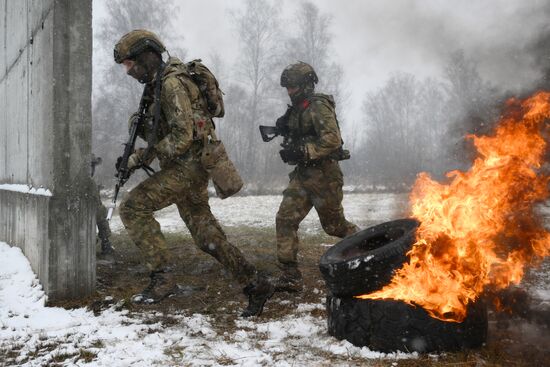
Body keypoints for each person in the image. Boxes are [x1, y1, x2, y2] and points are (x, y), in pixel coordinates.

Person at [112, 30, 273, 317]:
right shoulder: (157, 84)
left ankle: (163, 279)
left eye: (129, 64)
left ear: (145, 56)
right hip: (188, 169)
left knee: (133, 208)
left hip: (186, 169)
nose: (128, 71)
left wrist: (141, 156)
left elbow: (182, 137)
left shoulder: (171, 84)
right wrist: (136, 156)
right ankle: (255, 283)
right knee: (206, 237)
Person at [274, 62, 359, 292]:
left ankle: (367, 249)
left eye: (293, 87)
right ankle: (290, 275)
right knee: (285, 219)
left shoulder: (319, 106)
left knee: (334, 226)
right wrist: (284, 129)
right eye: (287, 88)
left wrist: (303, 151)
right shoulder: (297, 108)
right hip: (302, 176)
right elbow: (300, 132)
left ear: (306, 85)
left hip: (324, 177)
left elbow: (332, 140)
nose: (289, 92)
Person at [91, 154, 115, 256]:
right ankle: (103, 241)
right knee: (100, 211)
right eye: (91, 166)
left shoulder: (91, 183)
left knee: (100, 211)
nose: (92, 169)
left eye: (93, 166)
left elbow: (98, 209)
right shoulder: (88, 183)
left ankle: (105, 242)